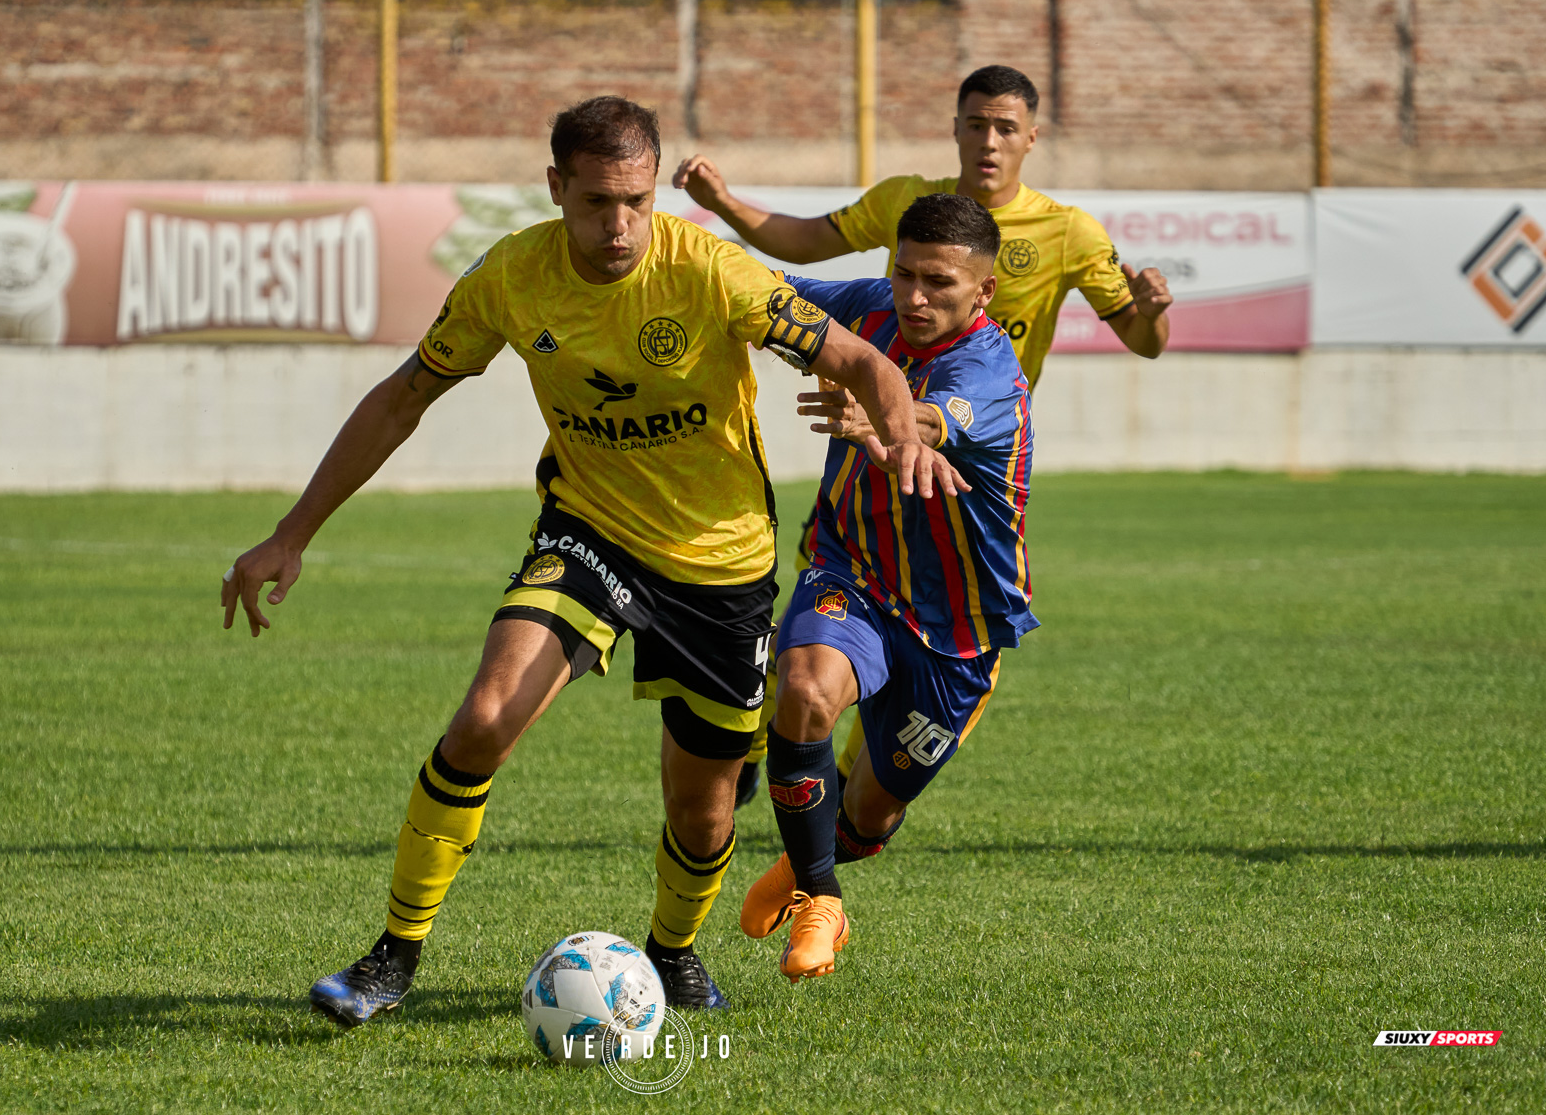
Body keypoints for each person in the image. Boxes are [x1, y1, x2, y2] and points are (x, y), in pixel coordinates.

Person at [220, 95, 965, 1028]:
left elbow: (866, 362)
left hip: (720, 563)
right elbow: (404, 397)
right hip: (588, 532)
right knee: (483, 719)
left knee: (702, 813)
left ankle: (672, 956)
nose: (620, 226)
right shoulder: (514, 276)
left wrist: (900, 439)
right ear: (555, 188)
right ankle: (392, 956)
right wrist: (291, 531)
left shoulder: (710, 273)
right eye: (597, 202)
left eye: (639, 202)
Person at [674, 63, 1173, 797]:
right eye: (976, 124)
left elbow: (1142, 338)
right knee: (830, 604)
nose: (989, 141)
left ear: (1032, 139)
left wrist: (1151, 309)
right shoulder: (908, 201)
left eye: (1006, 128)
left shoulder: (1068, 231)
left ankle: (842, 803)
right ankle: (770, 739)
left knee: (886, 737)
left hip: (969, 451)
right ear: (956, 129)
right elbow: (805, 245)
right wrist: (724, 206)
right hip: (875, 433)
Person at [736, 192, 1037, 982]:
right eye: (902, 274)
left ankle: (809, 859)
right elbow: (755, 290)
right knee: (802, 693)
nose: (914, 296)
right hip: (854, 572)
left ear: (984, 292)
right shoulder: (870, 309)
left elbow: (936, 421)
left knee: (871, 815)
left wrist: (891, 428)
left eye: (939, 281)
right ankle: (822, 898)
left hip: (959, 628)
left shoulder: (992, 373)